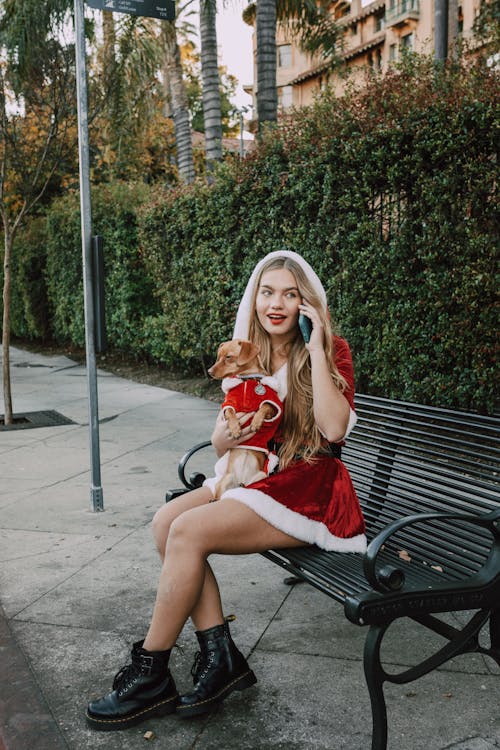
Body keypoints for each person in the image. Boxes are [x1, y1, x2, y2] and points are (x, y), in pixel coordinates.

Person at [85, 250, 367, 731]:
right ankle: (220, 660)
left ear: (307, 304)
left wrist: (316, 348)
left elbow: (335, 429)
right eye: (267, 291)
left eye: (290, 294)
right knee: (164, 523)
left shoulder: (329, 348)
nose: (276, 304)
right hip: (255, 472)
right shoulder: (246, 351)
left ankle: (151, 672)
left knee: (188, 532)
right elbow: (220, 437)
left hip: (308, 488)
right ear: (255, 296)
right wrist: (228, 436)